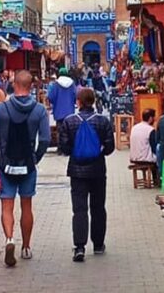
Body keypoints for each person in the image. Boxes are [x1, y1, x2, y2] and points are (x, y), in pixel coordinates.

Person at [0, 70, 50, 267]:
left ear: (14, 85)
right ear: (31, 87)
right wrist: (35, 158)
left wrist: (2, 149)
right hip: (28, 165)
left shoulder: (0, 109)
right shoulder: (39, 111)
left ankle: (9, 239)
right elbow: (46, 139)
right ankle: (27, 247)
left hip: (7, 164)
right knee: (26, 205)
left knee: (7, 205)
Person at [59, 88, 115, 262]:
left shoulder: (69, 121)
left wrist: (77, 152)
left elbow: (64, 147)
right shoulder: (103, 121)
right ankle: (98, 244)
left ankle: (80, 247)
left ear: (78, 102)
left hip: (77, 172)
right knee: (98, 207)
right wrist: (98, 152)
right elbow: (110, 147)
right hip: (98, 170)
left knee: (80, 209)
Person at [129, 109, 158, 183]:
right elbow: (154, 148)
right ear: (151, 118)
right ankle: (156, 180)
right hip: (145, 159)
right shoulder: (150, 130)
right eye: (154, 117)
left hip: (134, 157)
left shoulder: (134, 127)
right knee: (158, 157)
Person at [47, 67, 77, 133]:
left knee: (61, 134)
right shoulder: (72, 84)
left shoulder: (56, 85)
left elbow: (51, 97)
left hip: (59, 113)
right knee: (70, 133)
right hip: (70, 113)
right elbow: (76, 97)